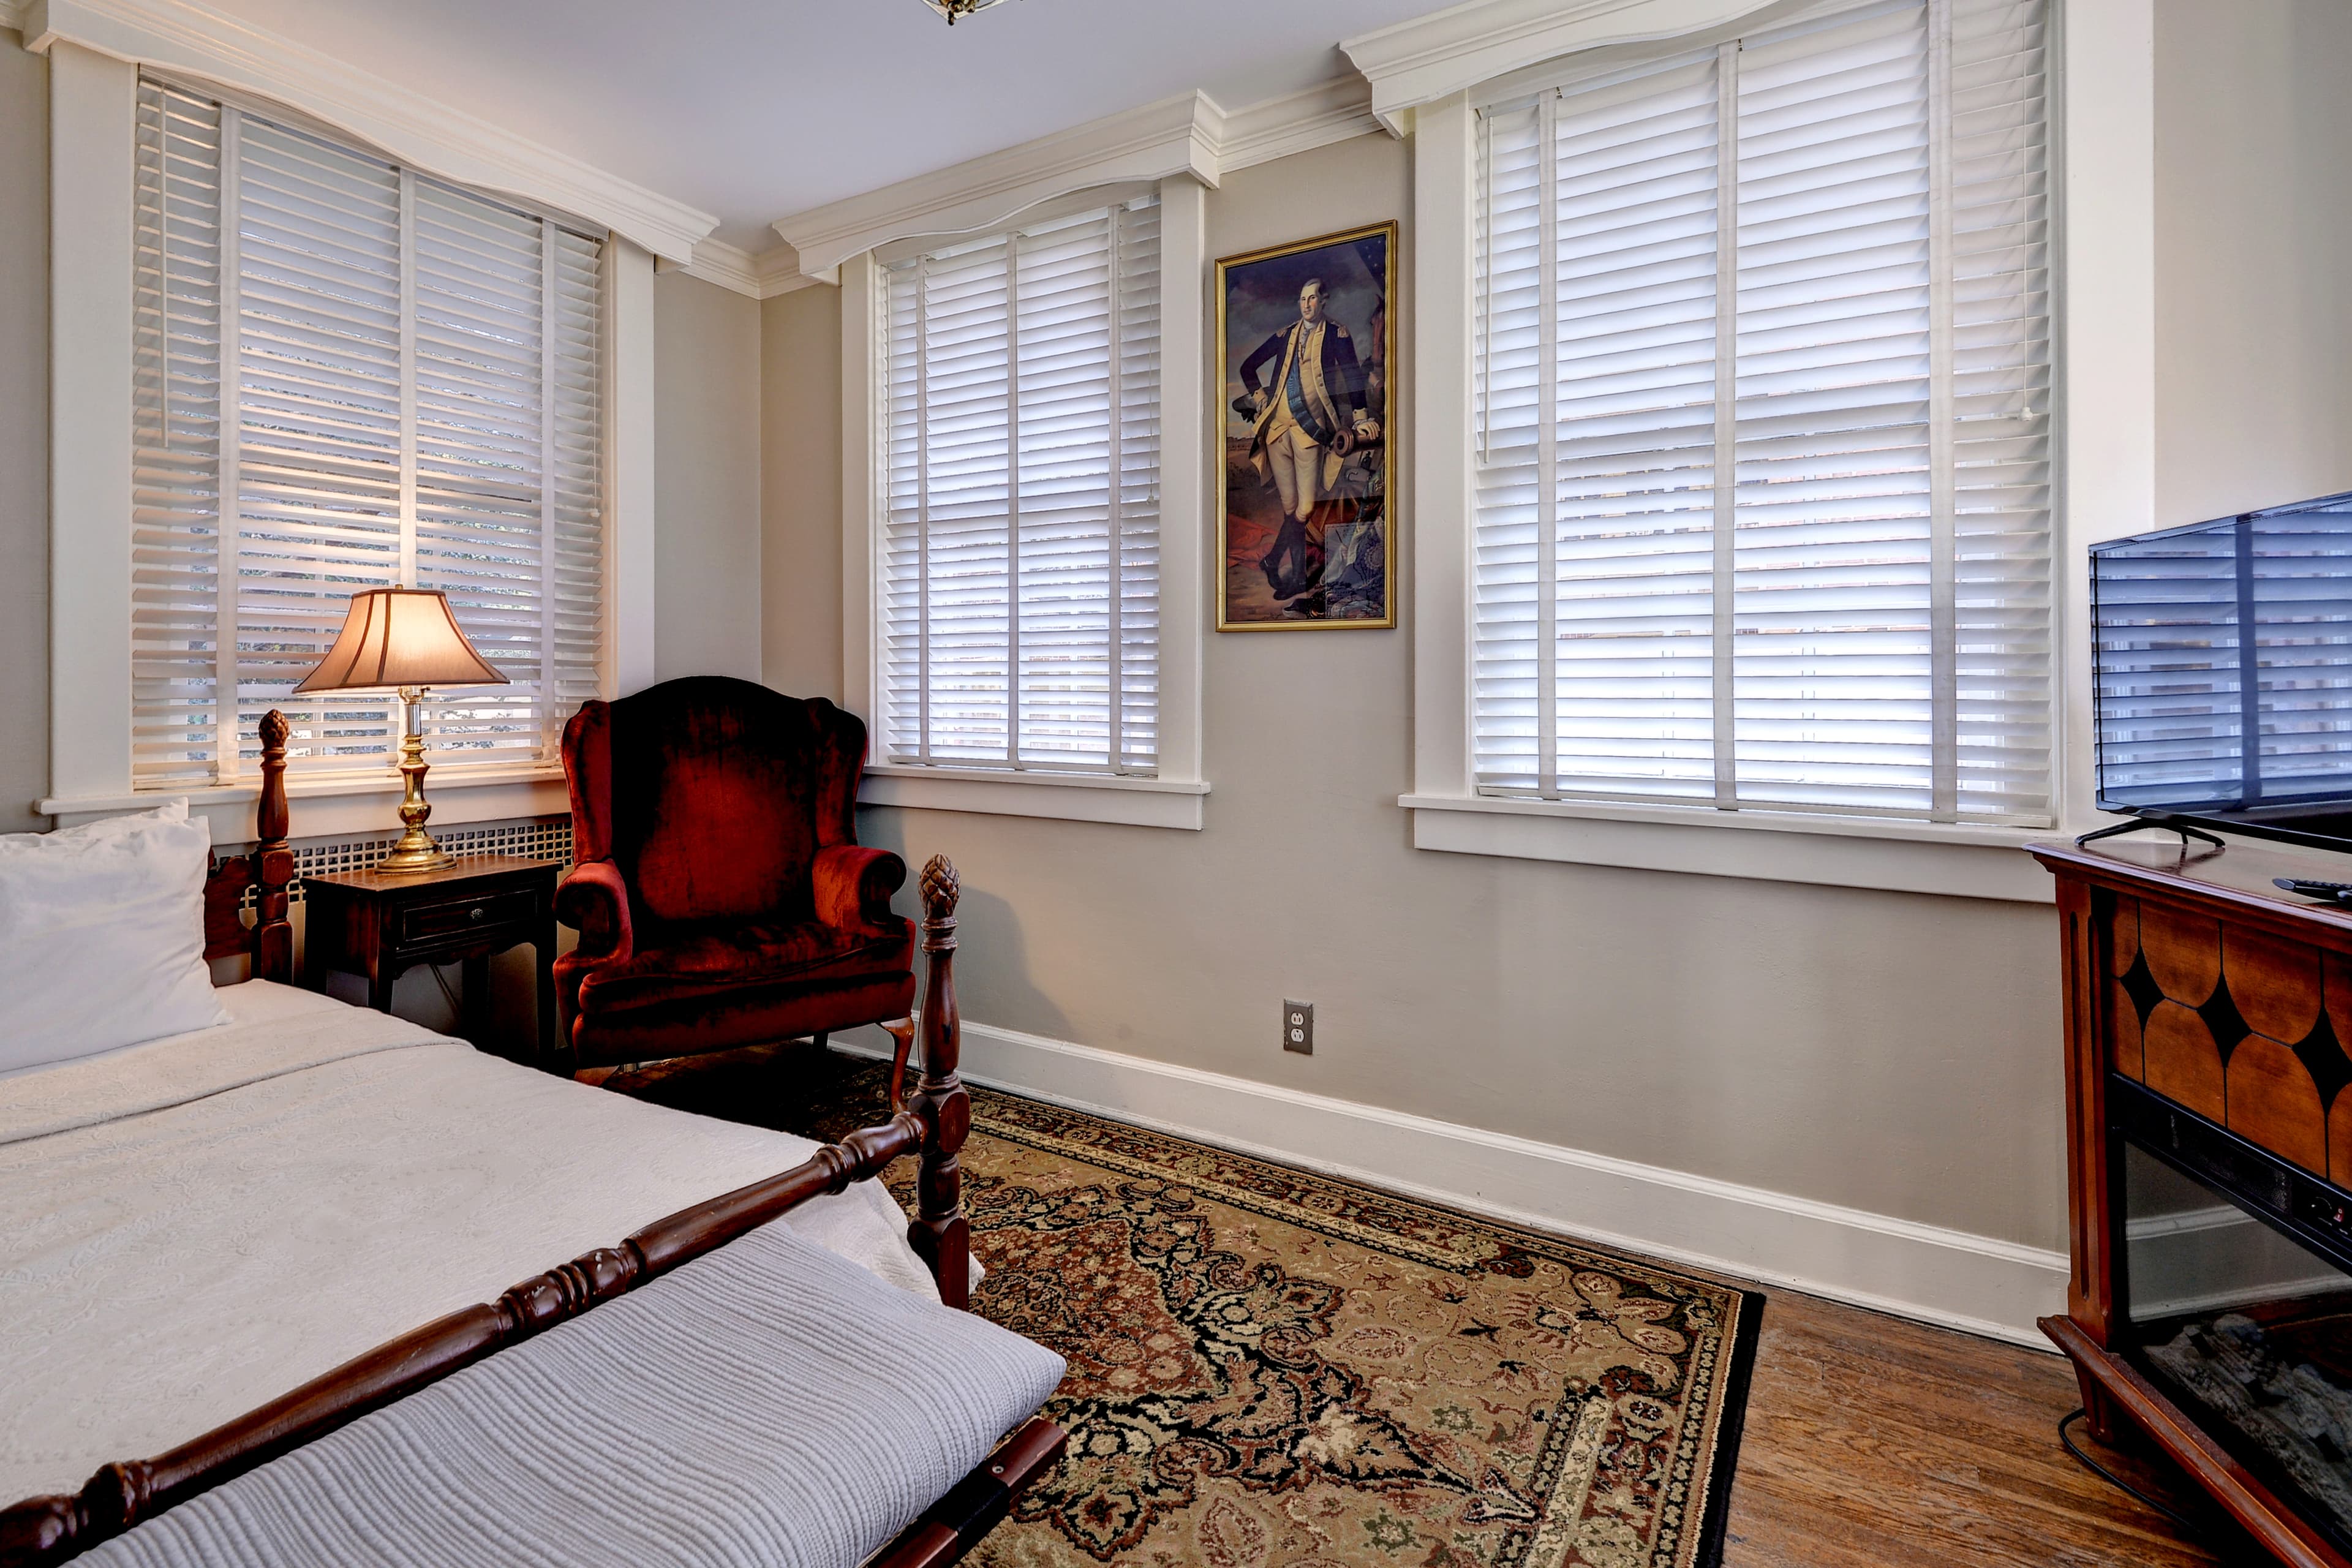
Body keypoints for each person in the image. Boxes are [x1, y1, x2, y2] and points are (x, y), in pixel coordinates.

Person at [1235, 277, 1383, 609]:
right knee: (1291, 509)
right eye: (1303, 299)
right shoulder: (1286, 334)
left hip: (1310, 431)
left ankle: (1273, 560)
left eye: (1313, 299)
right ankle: (1296, 577)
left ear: (1324, 301)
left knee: (1305, 509)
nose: (1306, 305)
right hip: (1277, 431)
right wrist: (1260, 398)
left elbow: (1351, 376)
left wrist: (1361, 417)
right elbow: (1248, 368)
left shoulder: (1337, 334)